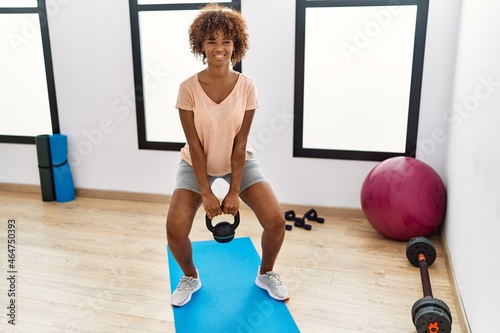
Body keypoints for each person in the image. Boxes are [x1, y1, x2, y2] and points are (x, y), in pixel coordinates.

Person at [166, 4, 289, 307]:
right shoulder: (188, 89)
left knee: (275, 221)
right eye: (211, 41)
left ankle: (266, 273)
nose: (219, 48)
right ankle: (191, 277)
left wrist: (234, 190)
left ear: (236, 45)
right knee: (175, 229)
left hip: (239, 160)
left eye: (226, 41)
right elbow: (194, 145)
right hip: (196, 164)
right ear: (201, 46)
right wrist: (206, 192)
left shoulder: (247, 87)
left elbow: (240, 141)